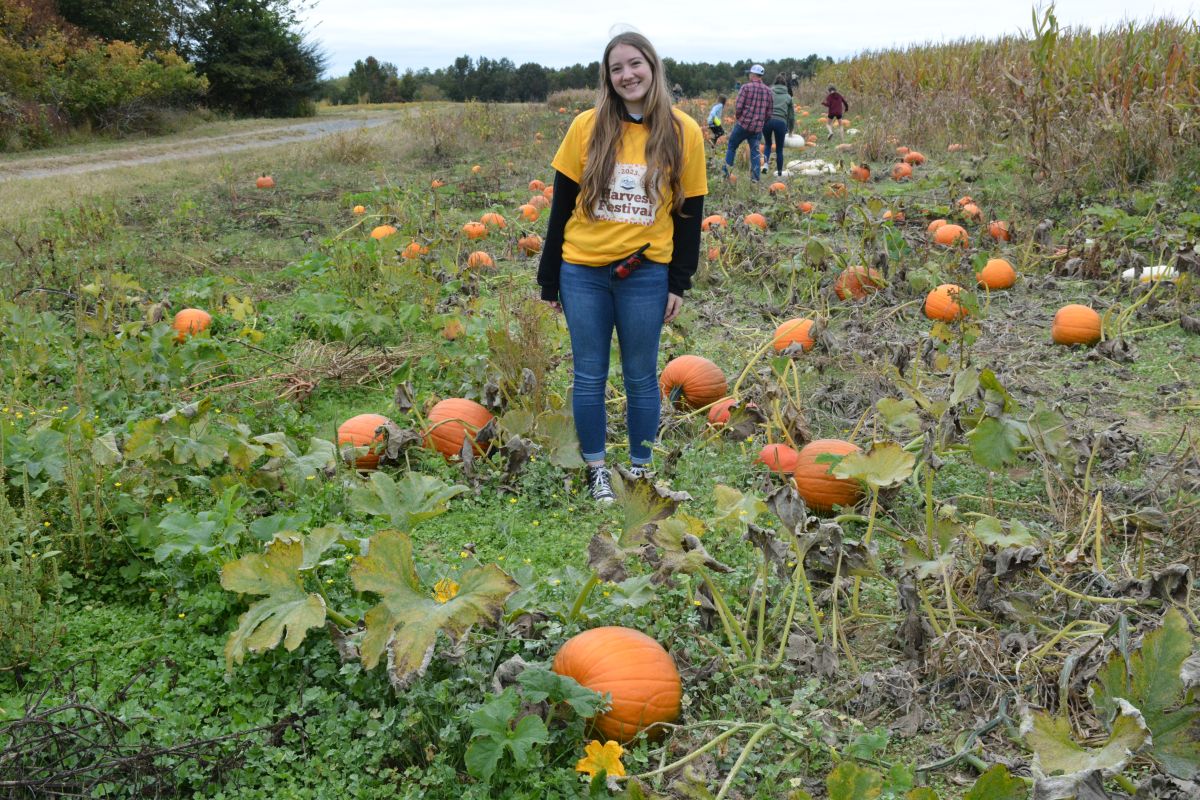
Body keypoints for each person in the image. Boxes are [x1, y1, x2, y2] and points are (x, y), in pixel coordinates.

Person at [536, 31, 708, 503]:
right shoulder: (586, 127)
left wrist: (679, 281)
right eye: (616, 69)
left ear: (652, 67)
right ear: (607, 78)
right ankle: (596, 470)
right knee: (589, 374)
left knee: (641, 375)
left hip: (646, 274)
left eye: (635, 64)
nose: (627, 75)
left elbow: (689, 214)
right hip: (582, 272)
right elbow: (560, 207)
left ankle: (639, 470)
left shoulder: (684, 132)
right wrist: (549, 279)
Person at [723, 64, 773, 182]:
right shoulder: (768, 91)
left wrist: (740, 119)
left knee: (732, 146)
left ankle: (726, 175)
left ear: (753, 74)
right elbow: (769, 113)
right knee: (755, 153)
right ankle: (755, 179)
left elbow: (738, 107)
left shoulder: (746, 88)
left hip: (743, 125)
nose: (749, 75)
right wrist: (761, 122)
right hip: (757, 129)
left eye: (750, 73)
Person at [760, 73, 795, 177]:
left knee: (768, 144)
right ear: (784, 85)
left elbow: (763, 107)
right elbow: (791, 117)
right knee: (779, 149)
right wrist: (791, 130)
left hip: (768, 121)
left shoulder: (768, 93)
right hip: (781, 122)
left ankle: (765, 164)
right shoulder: (788, 97)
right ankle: (779, 172)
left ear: (775, 83)